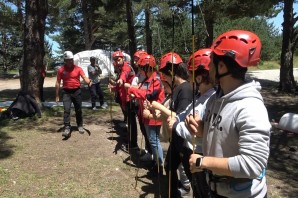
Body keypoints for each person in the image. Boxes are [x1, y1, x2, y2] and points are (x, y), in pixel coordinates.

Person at [186, 30, 271, 198]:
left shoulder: (250, 107)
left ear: (222, 67)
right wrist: (203, 129)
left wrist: (202, 162)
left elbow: (253, 164)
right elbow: (223, 135)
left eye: (211, 62)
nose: (208, 68)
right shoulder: (216, 99)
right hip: (217, 189)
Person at [167, 48, 215, 197]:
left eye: (192, 76)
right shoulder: (200, 96)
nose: (191, 80)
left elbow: (191, 129)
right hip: (194, 152)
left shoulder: (211, 99)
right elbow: (184, 113)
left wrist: (175, 125)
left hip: (202, 155)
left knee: (202, 192)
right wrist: (177, 119)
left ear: (199, 78)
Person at [158, 52, 193, 197]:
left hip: (183, 141)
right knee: (169, 166)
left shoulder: (185, 90)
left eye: (165, 75)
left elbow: (180, 117)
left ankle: (185, 189)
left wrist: (157, 106)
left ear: (172, 72)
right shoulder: (177, 89)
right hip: (176, 138)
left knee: (191, 174)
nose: (164, 79)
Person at [128, 54, 165, 174]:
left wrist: (132, 89)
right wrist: (136, 92)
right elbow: (141, 91)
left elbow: (148, 94)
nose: (140, 70)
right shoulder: (146, 79)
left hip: (154, 115)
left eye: (142, 68)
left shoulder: (156, 80)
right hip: (145, 114)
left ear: (149, 68)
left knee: (154, 140)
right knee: (151, 139)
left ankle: (159, 165)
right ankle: (155, 161)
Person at [55, 51, 93, 138]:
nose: (70, 61)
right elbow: (57, 82)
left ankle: (80, 125)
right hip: (66, 92)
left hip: (77, 91)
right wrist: (57, 95)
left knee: (78, 109)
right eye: (68, 60)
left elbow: (84, 77)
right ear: (65, 60)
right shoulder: (61, 70)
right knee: (66, 110)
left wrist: (89, 82)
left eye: (71, 60)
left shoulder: (78, 68)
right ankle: (67, 127)